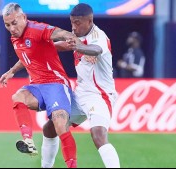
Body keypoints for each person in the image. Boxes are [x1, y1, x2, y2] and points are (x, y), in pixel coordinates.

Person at [0, 3, 93, 168]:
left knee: (60, 126)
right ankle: (28, 141)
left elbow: (62, 33)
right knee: (17, 97)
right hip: (37, 86)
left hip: (55, 84)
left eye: (14, 23)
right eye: (7, 25)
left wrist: (84, 48)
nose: (11, 28)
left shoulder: (36, 29)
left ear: (23, 18)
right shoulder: (15, 38)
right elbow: (28, 55)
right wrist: (11, 71)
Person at [41, 3, 121, 168]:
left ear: (90, 21)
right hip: (80, 95)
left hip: (100, 96)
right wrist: (44, 48)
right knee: (50, 127)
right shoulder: (77, 37)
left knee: (98, 134)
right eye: (72, 23)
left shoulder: (99, 36)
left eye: (77, 23)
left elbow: (96, 49)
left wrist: (82, 47)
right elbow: (64, 45)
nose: (73, 27)